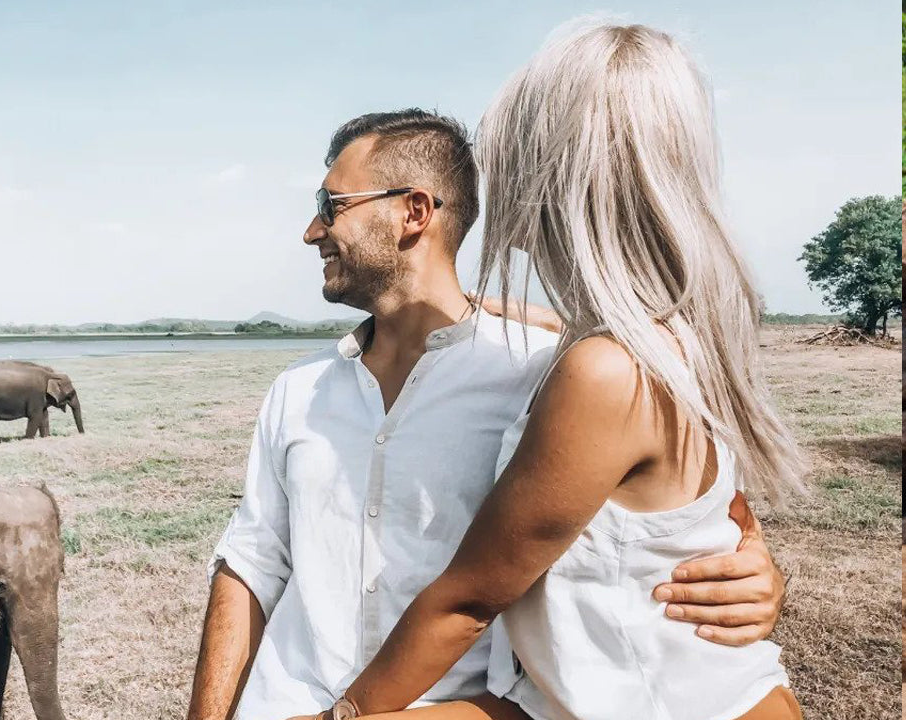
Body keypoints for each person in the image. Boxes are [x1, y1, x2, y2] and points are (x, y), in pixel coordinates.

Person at [185, 105, 787, 720]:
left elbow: (683, 517)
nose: (312, 231)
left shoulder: (545, 376)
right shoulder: (297, 388)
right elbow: (252, 561)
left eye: (331, 204)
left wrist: (753, 568)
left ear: (413, 211)